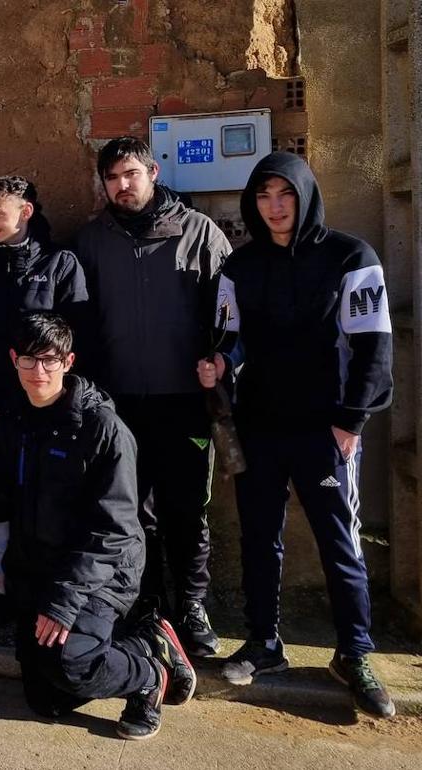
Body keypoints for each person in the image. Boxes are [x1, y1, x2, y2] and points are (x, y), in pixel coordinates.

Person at [200, 152, 397, 718]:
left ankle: (354, 653)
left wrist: (351, 420)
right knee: (260, 538)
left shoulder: (350, 257)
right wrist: (219, 361)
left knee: (341, 544)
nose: (275, 206)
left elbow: (373, 347)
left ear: (305, 194)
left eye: (285, 194)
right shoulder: (240, 266)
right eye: (263, 196)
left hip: (326, 429)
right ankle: (264, 644)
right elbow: (230, 336)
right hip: (260, 425)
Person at [0, 312, 195, 740]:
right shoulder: (12, 424)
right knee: (46, 700)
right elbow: (6, 503)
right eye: (29, 360)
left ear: (69, 362)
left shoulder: (103, 428)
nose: (39, 371)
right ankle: (120, 644)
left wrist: (63, 603)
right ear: (14, 360)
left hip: (103, 572)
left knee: (72, 664)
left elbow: (115, 531)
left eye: (50, 360)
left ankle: (148, 668)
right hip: (41, 568)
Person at [76, 137, 230, 656]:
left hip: (185, 398)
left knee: (187, 509)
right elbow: (80, 324)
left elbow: (229, 319)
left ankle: (190, 605)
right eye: (113, 178)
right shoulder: (91, 242)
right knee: (130, 512)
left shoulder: (199, 233)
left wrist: (221, 365)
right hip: (118, 403)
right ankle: (144, 604)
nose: (123, 185)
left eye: (131, 174)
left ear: (153, 171)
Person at [0, 175, 87, 634]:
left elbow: (79, 337)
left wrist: (63, 398)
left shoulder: (61, 263)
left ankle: (45, 592)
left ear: (24, 213)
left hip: (45, 413)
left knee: (44, 498)